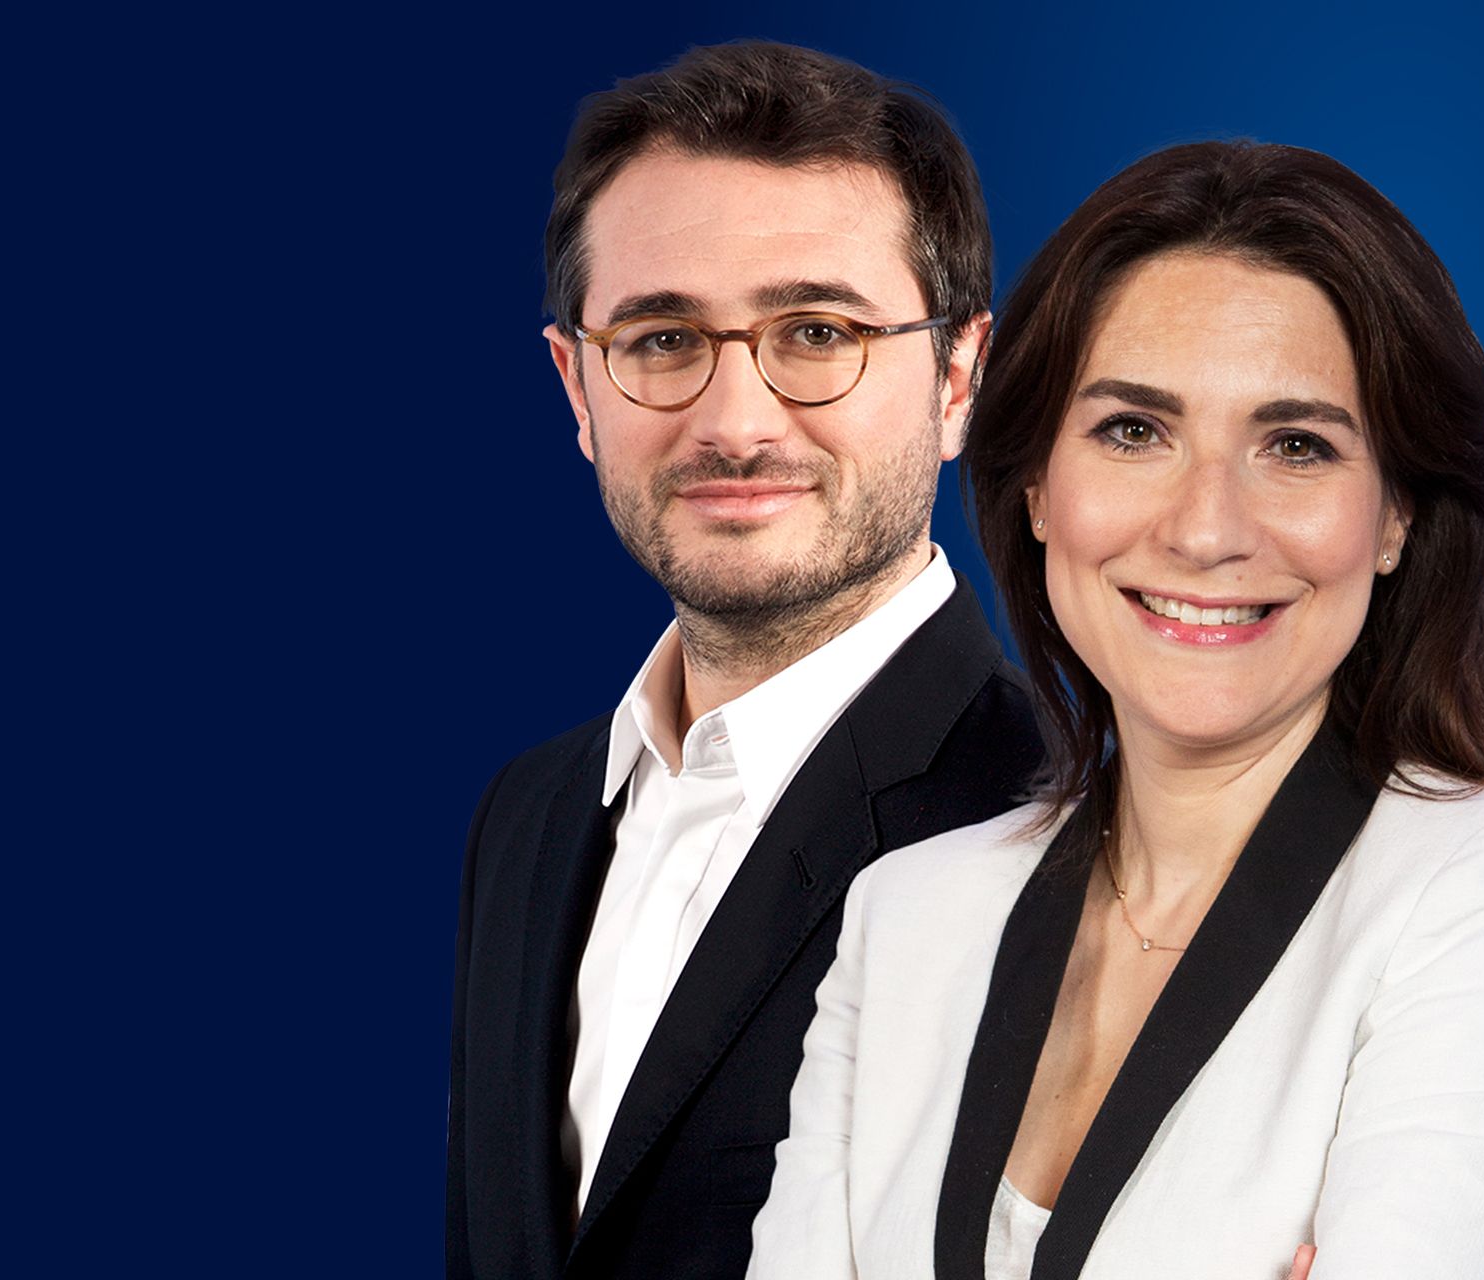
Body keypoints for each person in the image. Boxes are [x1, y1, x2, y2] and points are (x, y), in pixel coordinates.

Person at [747, 141, 1484, 1279]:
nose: (1207, 529)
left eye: (1297, 446)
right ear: (1036, 487)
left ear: (1395, 516)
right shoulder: (907, 914)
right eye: (1134, 430)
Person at [447, 42, 1044, 1279]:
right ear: (577, 386)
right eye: (663, 337)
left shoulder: (1070, 825)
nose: (734, 420)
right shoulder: (527, 816)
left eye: (817, 331)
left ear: (956, 378)